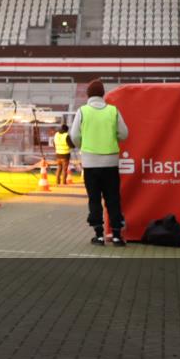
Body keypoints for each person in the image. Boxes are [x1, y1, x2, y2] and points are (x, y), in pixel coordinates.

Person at [70, 80, 129, 246]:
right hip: (110, 163)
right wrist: (112, 138)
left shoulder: (82, 111)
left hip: (90, 163)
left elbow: (74, 136)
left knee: (94, 199)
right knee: (113, 199)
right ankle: (116, 235)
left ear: (88, 94)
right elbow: (124, 134)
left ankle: (99, 235)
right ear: (103, 94)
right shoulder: (113, 111)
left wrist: (84, 145)